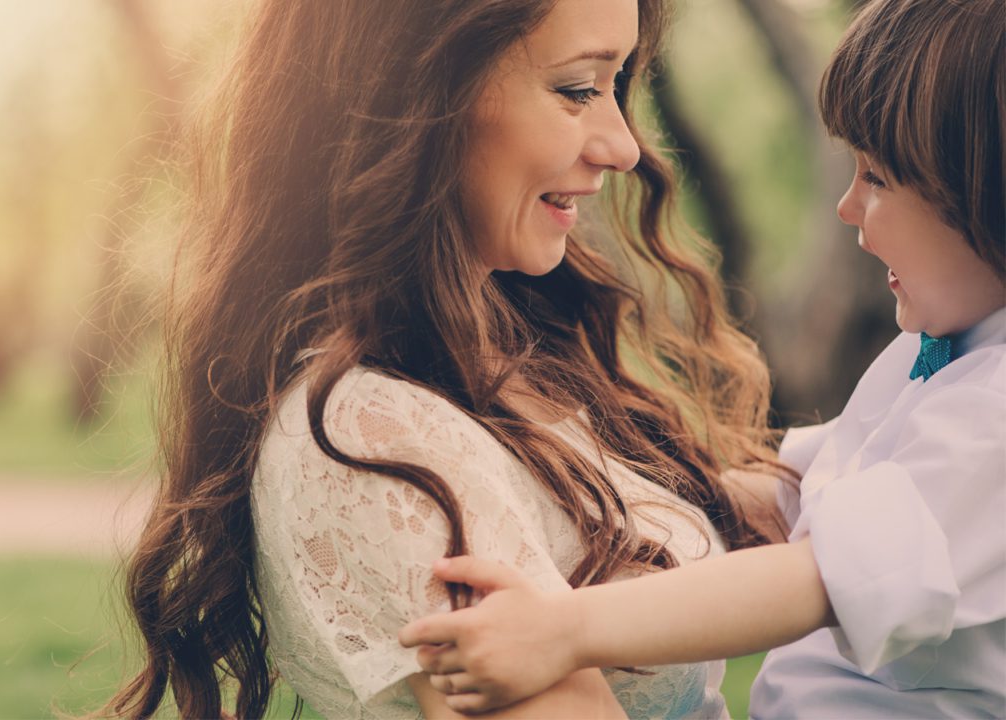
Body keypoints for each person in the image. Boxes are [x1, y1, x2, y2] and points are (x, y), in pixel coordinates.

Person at [104, 0, 791, 718]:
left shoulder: (500, 358)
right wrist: (847, 574)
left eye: (618, 88)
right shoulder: (370, 438)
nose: (622, 147)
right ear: (418, 96)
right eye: (578, 89)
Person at [399, 0, 1006, 717]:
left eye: (878, 178)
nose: (846, 206)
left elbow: (810, 579)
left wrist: (566, 630)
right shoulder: (947, 352)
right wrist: (579, 504)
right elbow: (788, 494)